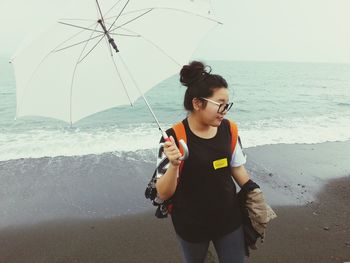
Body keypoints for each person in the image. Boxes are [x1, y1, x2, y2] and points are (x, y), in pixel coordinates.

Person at [155, 61, 253, 263]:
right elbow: (163, 193)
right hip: (191, 224)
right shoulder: (173, 138)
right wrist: (173, 165)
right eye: (220, 104)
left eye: (227, 104)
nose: (225, 110)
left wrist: (252, 189)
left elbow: (237, 167)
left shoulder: (230, 130)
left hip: (228, 219)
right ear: (197, 103)